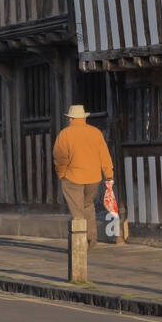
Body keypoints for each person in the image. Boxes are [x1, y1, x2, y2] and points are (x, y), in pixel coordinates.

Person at [52, 104, 114, 245]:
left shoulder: (65, 134)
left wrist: (62, 175)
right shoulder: (96, 133)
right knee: (88, 205)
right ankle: (91, 237)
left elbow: (60, 158)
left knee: (77, 210)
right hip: (93, 177)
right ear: (84, 118)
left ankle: (81, 241)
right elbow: (105, 156)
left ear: (71, 118)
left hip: (73, 177)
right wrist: (109, 176)